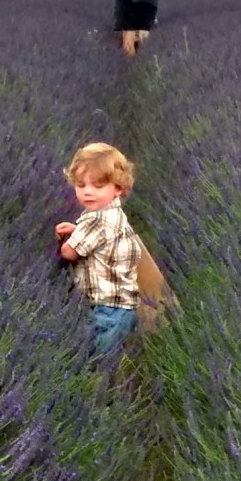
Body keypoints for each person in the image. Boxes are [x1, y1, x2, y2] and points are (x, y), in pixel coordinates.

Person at [55, 143, 140, 357]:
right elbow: (103, 239)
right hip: (122, 305)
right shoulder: (114, 215)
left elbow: (69, 253)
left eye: (98, 186)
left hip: (106, 308)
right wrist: (78, 230)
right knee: (109, 354)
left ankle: (105, 386)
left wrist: (66, 242)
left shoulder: (96, 220)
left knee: (99, 359)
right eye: (81, 185)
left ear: (118, 189)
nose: (88, 192)